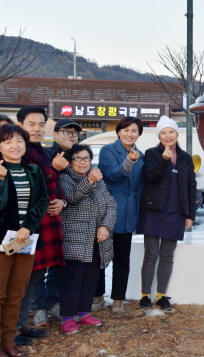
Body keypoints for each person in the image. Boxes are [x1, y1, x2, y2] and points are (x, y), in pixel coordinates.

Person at [14, 106, 66, 345]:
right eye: (31, 124)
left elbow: (52, 185)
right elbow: (30, 184)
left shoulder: (41, 151)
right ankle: (13, 327)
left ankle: (21, 324)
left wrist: (62, 201)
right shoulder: (18, 151)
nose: (37, 129)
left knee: (34, 276)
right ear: (20, 124)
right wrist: (53, 170)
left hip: (46, 222)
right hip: (28, 223)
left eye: (41, 124)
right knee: (20, 278)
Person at [137, 116, 196, 311]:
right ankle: (145, 295)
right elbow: (150, 176)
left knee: (167, 255)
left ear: (177, 134)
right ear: (159, 136)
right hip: (153, 210)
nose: (168, 136)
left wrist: (190, 215)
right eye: (163, 133)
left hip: (176, 213)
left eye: (171, 132)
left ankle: (161, 296)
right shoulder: (152, 153)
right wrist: (164, 159)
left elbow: (190, 187)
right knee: (151, 254)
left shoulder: (186, 158)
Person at [0, 125, 49, 357]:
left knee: (16, 294)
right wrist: (1, 181)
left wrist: (27, 227)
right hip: (1, 242)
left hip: (24, 240)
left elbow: (41, 201)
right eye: (8, 141)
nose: (14, 146)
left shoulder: (33, 170)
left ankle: (8, 342)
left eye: (19, 141)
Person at [57, 144, 117, 334]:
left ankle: (84, 313)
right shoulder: (64, 178)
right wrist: (89, 181)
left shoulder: (97, 179)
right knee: (73, 278)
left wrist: (105, 226)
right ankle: (67, 317)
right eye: (78, 158)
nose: (83, 162)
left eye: (86, 158)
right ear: (70, 161)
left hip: (97, 238)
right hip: (75, 238)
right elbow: (71, 198)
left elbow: (111, 204)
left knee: (91, 276)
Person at [29, 119, 80, 324]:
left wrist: (63, 201)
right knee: (40, 266)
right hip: (44, 217)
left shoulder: (78, 155)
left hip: (66, 216)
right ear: (55, 134)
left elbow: (63, 191)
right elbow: (39, 183)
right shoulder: (46, 154)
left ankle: (54, 302)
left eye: (75, 133)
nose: (70, 135)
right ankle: (38, 307)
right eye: (66, 131)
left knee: (60, 266)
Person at [94, 117, 144, 314]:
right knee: (99, 256)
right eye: (126, 130)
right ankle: (97, 295)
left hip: (129, 211)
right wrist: (129, 161)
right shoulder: (108, 150)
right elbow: (113, 174)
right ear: (118, 132)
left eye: (134, 131)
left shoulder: (141, 155)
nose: (130, 134)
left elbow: (141, 185)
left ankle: (118, 300)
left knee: (123, 257)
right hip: (108, 208)